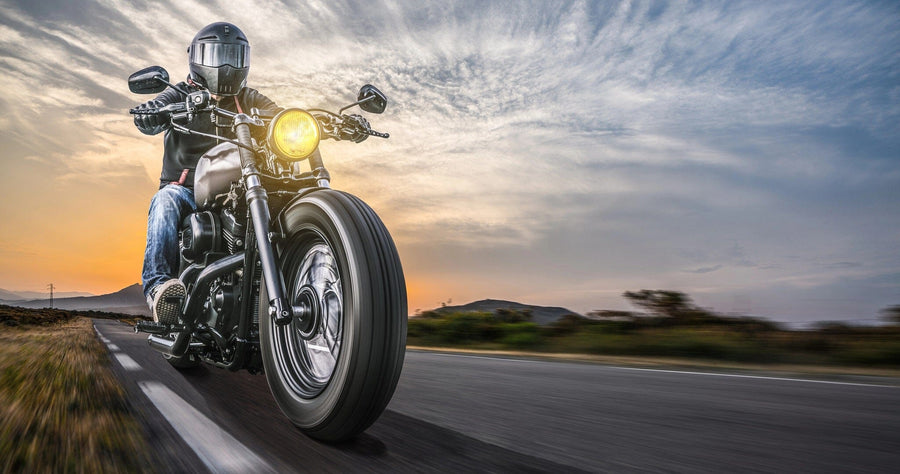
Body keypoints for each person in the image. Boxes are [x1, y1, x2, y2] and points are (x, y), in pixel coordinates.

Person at [133, 22, 283, 324]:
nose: (225, 65)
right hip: (188, 190)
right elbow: (156, 107)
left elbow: (281, 115)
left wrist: (312, 122)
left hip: (237, 189)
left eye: (233, 57)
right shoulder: (179, 93)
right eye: (216, 55)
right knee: (165, 201)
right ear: (198, 58)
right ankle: (160, 288)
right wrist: (152, 112)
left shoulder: (249, 99)